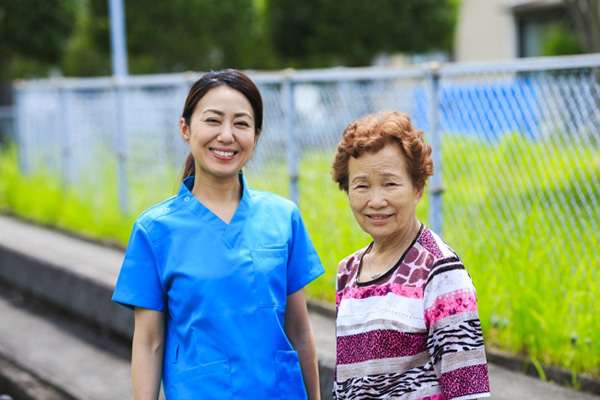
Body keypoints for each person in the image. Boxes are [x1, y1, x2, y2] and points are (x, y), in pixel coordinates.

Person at [112, 69, 324, 400]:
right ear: (185, 128)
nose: (226, 135)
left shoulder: (283, 218)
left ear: (255, 136)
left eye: (241, 124)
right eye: (213, 120)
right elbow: (149, 342)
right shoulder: (155, 230)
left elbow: (298, 329)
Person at [331, 111, 490, 400]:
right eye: (362, 185)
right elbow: (346, 386)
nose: (376, 201)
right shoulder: (348, 271)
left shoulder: (439, 270)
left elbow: (468, 389)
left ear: (418, 188)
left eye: (390, 184)